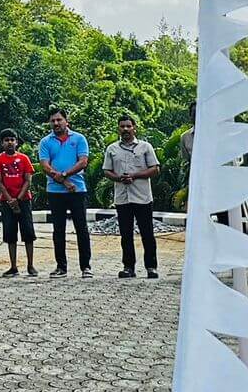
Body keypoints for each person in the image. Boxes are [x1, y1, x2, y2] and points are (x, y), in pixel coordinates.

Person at [103, 113, 161, 279]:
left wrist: (135, 175)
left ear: (135, 128)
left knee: (147, 233)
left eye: (129, 126)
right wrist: (119, 178)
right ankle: (128, 267)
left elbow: (155, 168)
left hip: (142, 197)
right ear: (118, 128)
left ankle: (151, 267)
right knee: (126, 234)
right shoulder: (112, 149)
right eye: (122, 126)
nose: (126, 129)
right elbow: (107, 171)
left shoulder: (145, 147)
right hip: (122, 198)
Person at [38, 107, 91, 276]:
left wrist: (66, 175)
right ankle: (61, 266)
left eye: (59, 120)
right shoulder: (46, 142)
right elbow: (45, 166)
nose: (56, 123)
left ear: (66, 121)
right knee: (58, 230)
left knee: (81, 228)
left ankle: (86, 267)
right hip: (55, 192)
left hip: (77, 190)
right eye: (53, 120)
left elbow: (83, 162)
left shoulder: (79, 138)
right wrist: (63, 181)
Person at [0, 129, 37, 277]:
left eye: (12, 139)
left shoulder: (24, 158)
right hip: (6, 201)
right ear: (2, 143)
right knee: (10, 234)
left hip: (24, 200)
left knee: (28, 233)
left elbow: (28, 180)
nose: (10, 142)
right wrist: (10, 200)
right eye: (6, 140)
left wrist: (18, 198)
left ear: (17, 142)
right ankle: (13, 266)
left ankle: (30, 265)